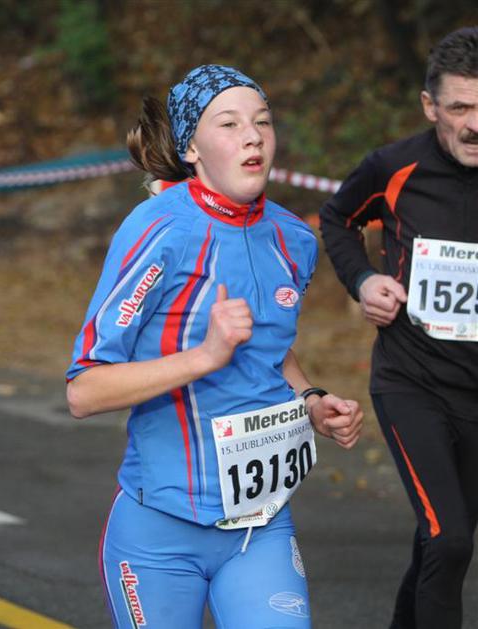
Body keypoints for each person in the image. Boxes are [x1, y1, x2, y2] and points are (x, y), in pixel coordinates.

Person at [66, 65, 364, 628]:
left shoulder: (294, 240)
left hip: (260, 525)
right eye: (229, 124)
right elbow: (83, 391)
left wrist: (310, 401)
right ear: (191, 149)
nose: (253, 137)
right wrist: (205, 356)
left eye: (262, 122)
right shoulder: (157, 230)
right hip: (159, 533)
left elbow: (268, 349)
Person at [320, 26, 478, 629]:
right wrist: (364, 280)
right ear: (429, 106)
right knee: (449, 540)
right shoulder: (394, 167)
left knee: (442, 540)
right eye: (459, 108)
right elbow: (337, 219)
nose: (474, 125)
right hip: (412, 383)